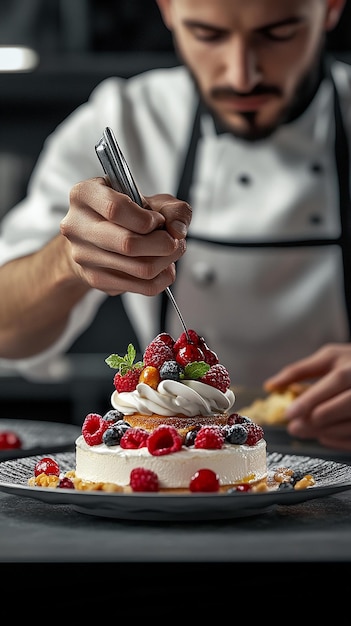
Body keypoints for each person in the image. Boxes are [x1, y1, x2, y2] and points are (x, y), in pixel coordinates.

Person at [0, 0, 350, 450]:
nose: (241, 74)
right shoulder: (129, 117)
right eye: (208, 34)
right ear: (166, 9)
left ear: (331, 9)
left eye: (278, 34)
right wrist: (65, 264)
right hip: (179, 469)